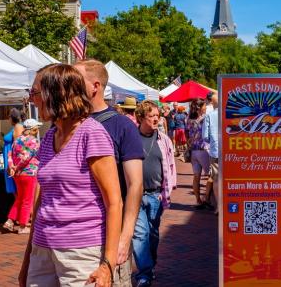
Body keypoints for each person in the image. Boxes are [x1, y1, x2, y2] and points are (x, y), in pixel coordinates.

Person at [19, 64, 123, 287]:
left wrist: (107, 264)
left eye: (35, 93)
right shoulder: (49, 137)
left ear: (57, 94)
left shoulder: (92, 134)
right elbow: (42, 200)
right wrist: (27, 259)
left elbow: (114, 202)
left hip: (81, 253)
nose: (31, 100)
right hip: (42, 249)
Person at [75, 60, 144, 287]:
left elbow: (135, 184)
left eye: (76, 80)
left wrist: (125, 237)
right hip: (78, 236)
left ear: (95, 86)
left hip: (110, 234)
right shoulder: (69, 124)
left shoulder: (122, 126)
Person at [132, 100, 176, 287]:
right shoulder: (131, 138)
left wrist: (167, 190)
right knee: (140, 234)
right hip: (135, 196)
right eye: (152, 116)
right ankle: (144, 274)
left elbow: (171, 165)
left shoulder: (164, 140)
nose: (156, 119)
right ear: (141, 117)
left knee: (153, 234)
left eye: (158, 116)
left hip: (156, 194)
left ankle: (150, 265)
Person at [4, 118, 41, 234]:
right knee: (27, 200)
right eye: (36, 128)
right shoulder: (34, 141)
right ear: (32, 129)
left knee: (20, 198)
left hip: (18, 174)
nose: (38, 130)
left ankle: (10, 221)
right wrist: (18, 166)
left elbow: (10, 154)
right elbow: (27, 157)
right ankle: (23, 226)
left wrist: (13, 167)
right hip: (29, 173)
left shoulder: (17, 140)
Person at [186, 99, 210, 209]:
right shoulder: (204, 119)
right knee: (212, 176)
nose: (206, 108)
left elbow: (188, 134)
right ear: (200, 108)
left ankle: (198, 200)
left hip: (193, 151)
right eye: (205, 106)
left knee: (196, 177)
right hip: (203, 149)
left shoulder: (189, 119)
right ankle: (206, 199)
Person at [202, 92, 220, 214]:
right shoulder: (231, 114)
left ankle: (219, 206)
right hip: (231, 151)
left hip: (215, 151)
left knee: (216, 179)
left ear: (212, 103)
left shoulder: (209, 115)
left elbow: (205, 136)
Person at [2, 109, 24, 197]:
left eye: (9, 117)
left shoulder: (18, 127)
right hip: (9, 159)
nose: (8, 119)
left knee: (16, 189)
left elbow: (17, 148)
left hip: (12, 161)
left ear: (12, 117)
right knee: (14, 189)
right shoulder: (16, 127)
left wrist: (12, 164)